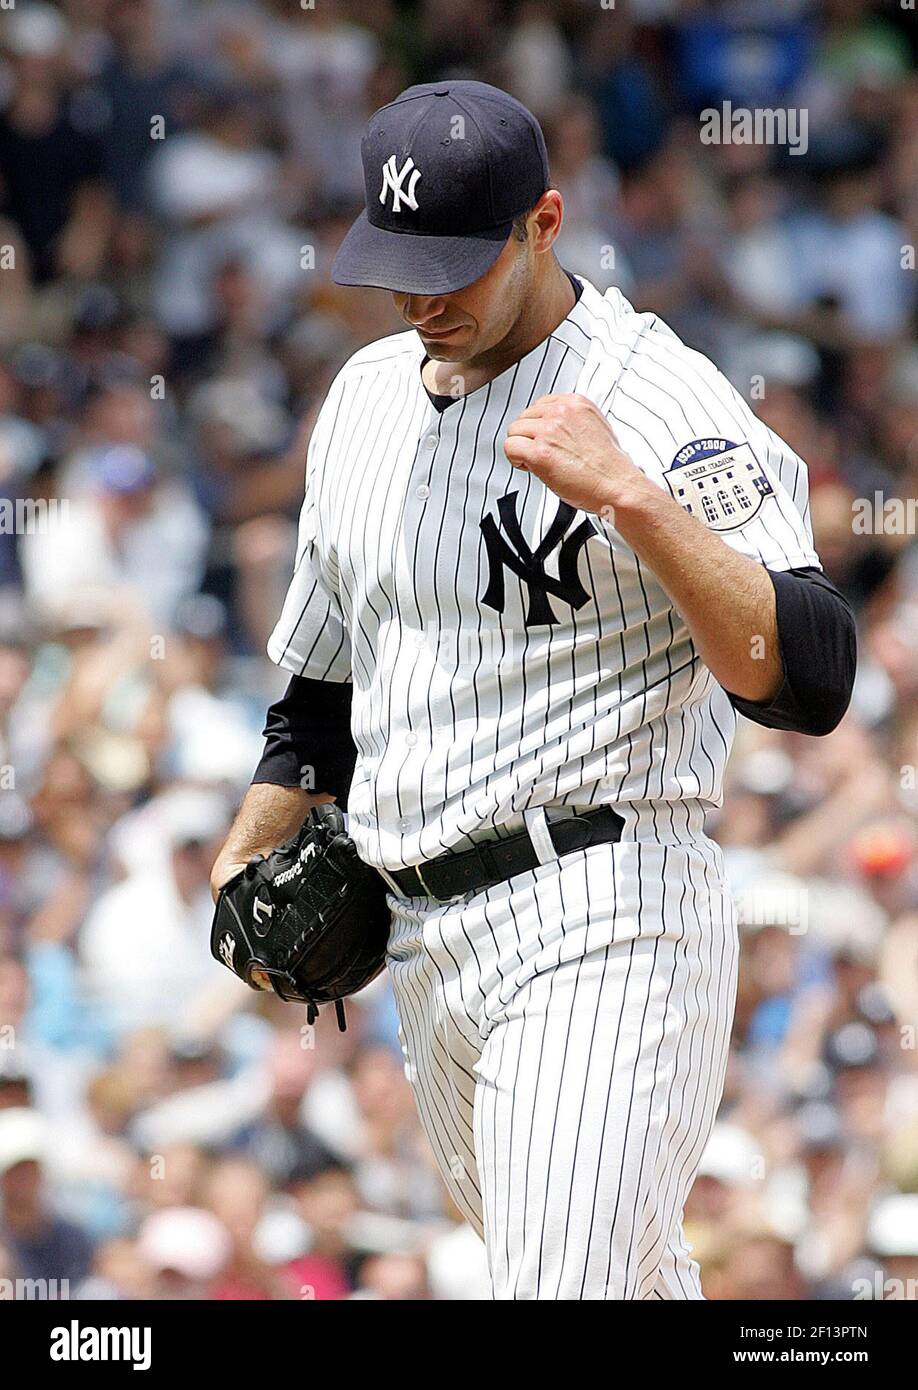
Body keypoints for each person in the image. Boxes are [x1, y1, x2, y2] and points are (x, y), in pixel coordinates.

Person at [211, 81, 856, 1300]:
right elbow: (317, 694)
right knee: (617, 1280)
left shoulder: (657, 396)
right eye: (398, 261)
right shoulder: (360, 402)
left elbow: (810, 675)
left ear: (542, 225)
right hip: (423, 946)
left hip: (605, 905)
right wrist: (249, 846)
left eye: (453, 263)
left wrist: (637, 503)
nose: (420, 295)